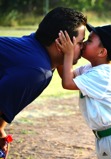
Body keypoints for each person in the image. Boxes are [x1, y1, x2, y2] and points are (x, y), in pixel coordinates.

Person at [0, 7, 87, 157]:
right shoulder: (37, 71)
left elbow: (67, 74)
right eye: (81, 42)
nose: (84, 48)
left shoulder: (35, 45)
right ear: (61, 42)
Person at [56, 24, 111, 158]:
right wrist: (62, 52)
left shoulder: (101, 75)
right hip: (108, 136)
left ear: (102, 52)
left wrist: (68, 53)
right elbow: (66, 74)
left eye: (89, 41)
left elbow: (67, 83)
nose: (84, 43)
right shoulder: (91, 69)